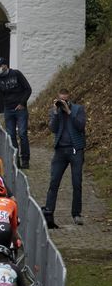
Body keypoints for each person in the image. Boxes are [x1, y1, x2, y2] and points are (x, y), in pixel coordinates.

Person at [44, 88, 87, 227]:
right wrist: (56, 113)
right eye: (61, 100)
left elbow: (81, 126)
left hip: (76, 150)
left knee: (77, 183)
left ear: (69, 98)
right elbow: (53, 129)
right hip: (60, 151)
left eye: (65, 100)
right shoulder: (55, 111)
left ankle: (76, 214)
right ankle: (49, 211)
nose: (63, 102)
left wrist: (69, 112)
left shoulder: (78, 109)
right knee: (54, 182)